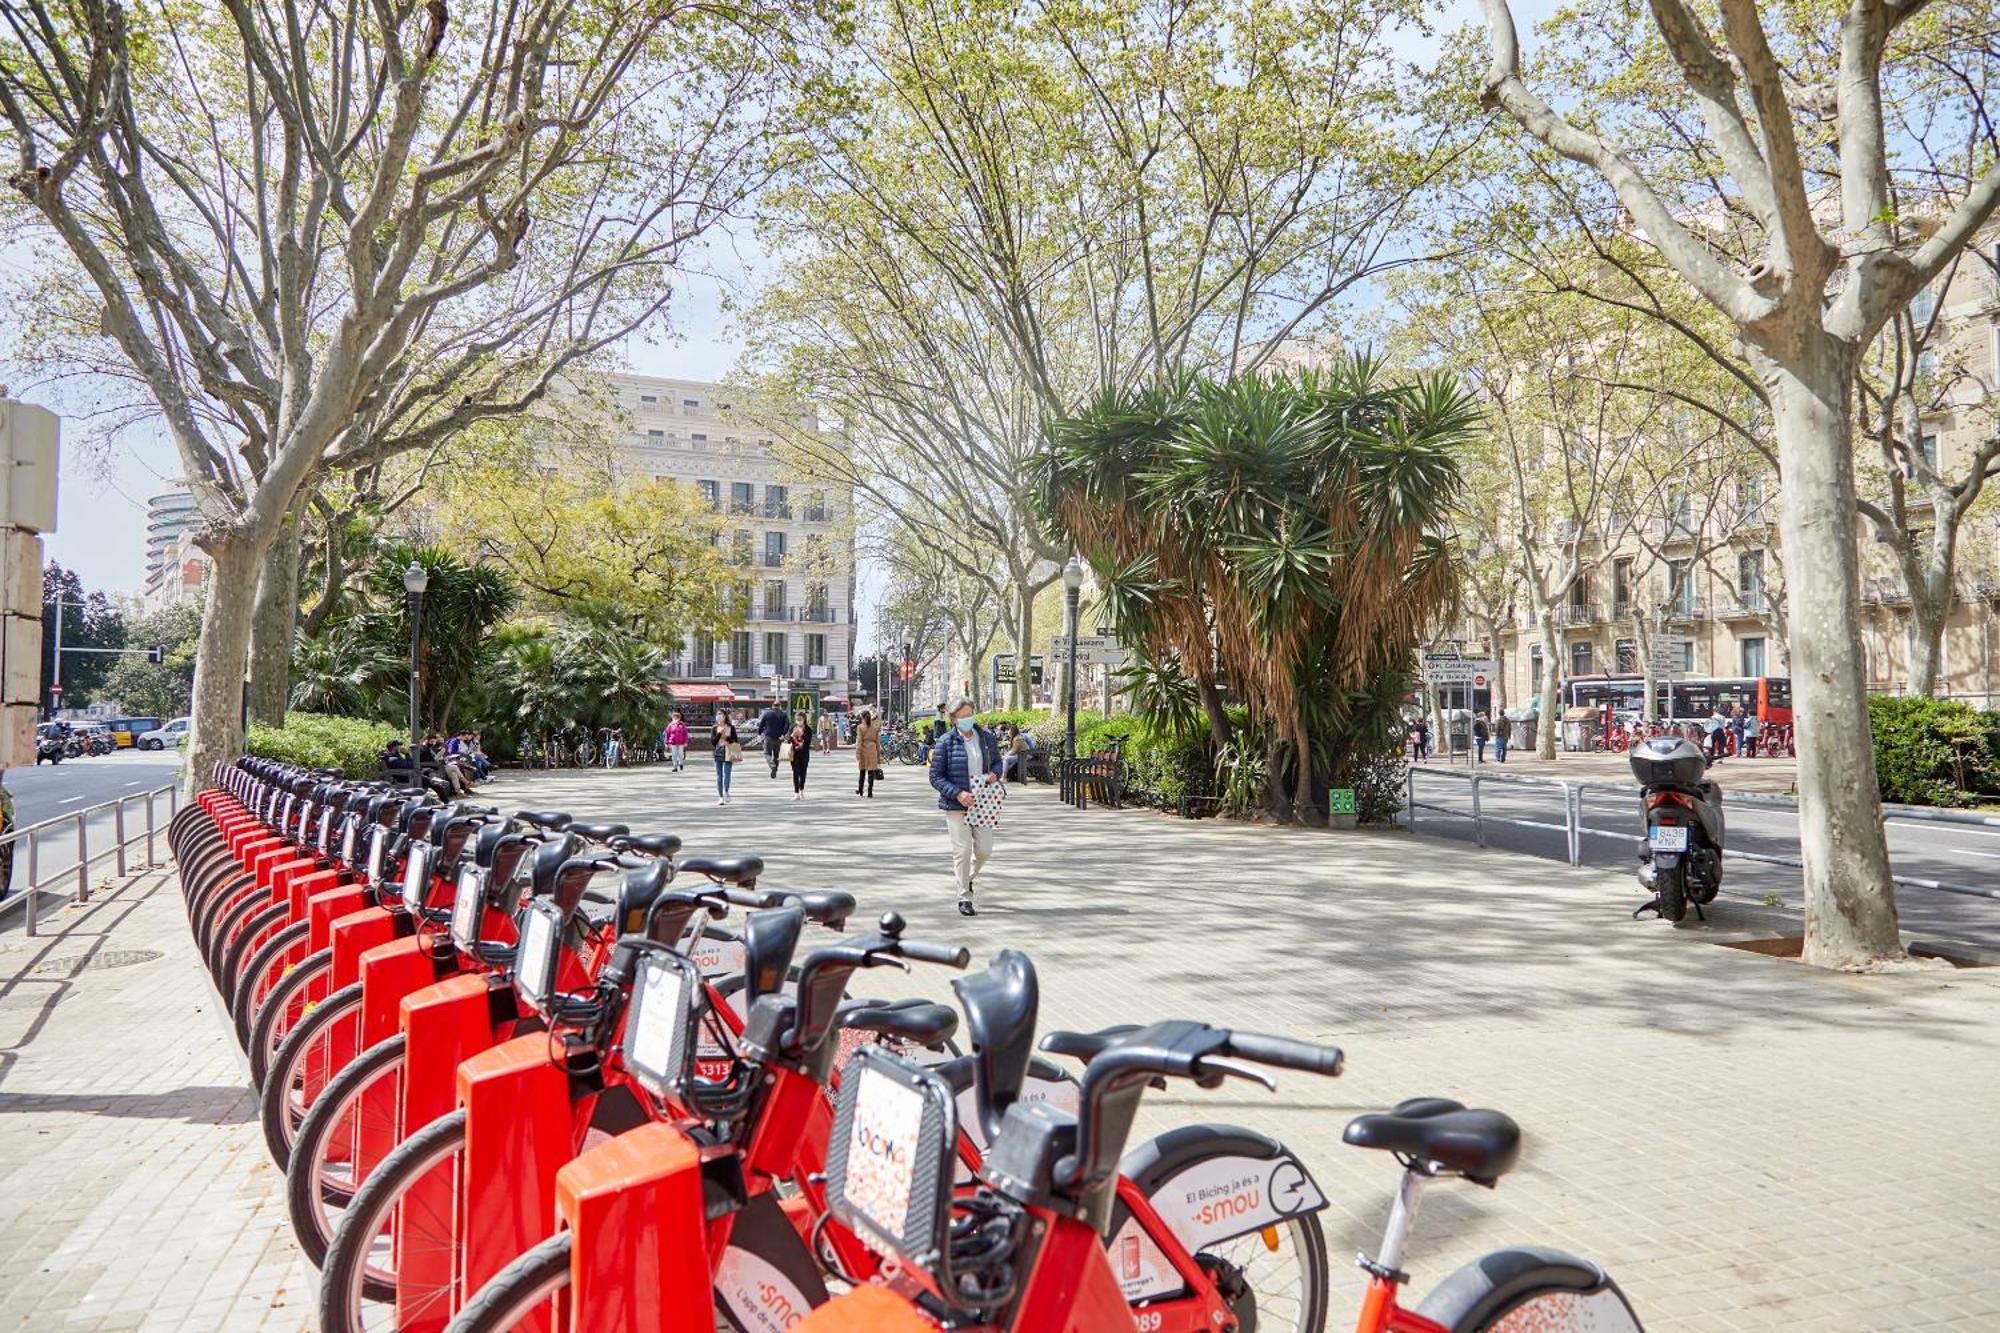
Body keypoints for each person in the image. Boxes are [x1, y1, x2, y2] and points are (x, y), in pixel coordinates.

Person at [930, 697, 1001, 917]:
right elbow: (935, 776)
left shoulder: (987, 738)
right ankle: (964, 896)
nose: (967, 719)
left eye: (970, 714)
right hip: (956, 805)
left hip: (983, 803)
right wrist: (958, 793)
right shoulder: (945, 742)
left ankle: (967, 878)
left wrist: (995, 774)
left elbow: (998, 763)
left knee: (984, 850)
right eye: (962, 717)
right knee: (962, 851)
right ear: (953, 719)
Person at [712, 713, 741, 805]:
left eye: (721, 715)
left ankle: (726, 791)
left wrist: (726, 737)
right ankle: (720, 797)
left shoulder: (731, 727)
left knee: (727, 775)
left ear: (725, 717)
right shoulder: (714, 728)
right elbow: (713, 742)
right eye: (718, 715)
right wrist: (719, 733)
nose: (719, 717)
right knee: (719, 776)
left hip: (729, 752)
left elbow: (735, 741)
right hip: (718, 753)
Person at [853, 707, 882, 797]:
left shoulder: (860, 727)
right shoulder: (874, 728)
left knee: (862, 771)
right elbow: (877, 742)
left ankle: (860, 790)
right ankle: (870, 791)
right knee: (871, 772)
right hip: (872, 750)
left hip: (863, 750)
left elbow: (859, 741)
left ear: (862, 717)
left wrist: (857, 753)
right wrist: (878, 755)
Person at [757, 702, 790, 778]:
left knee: (767, 753)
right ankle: (775, 769)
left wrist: (759, 733)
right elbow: (787, 725)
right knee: (776, 755)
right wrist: (783, 734)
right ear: (780, 706)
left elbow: (761, 724)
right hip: (779, 738)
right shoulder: (784, 714)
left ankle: (772, 766)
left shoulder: (767, 714)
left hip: (768, 737)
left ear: (772, 706)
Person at [786, 710, 814, 799]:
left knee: (803, 773)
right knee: (795, 772)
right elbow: (788, 741)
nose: (798, 721)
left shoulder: (808, 729)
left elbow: (808, 741)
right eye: (797, 719)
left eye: (800, 719)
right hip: (794, 753)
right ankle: (796, 793)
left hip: (804, 753)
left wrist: (801, 734)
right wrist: (791, 735)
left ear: (804, 719)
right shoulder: (793, 728)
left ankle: (801, 790)